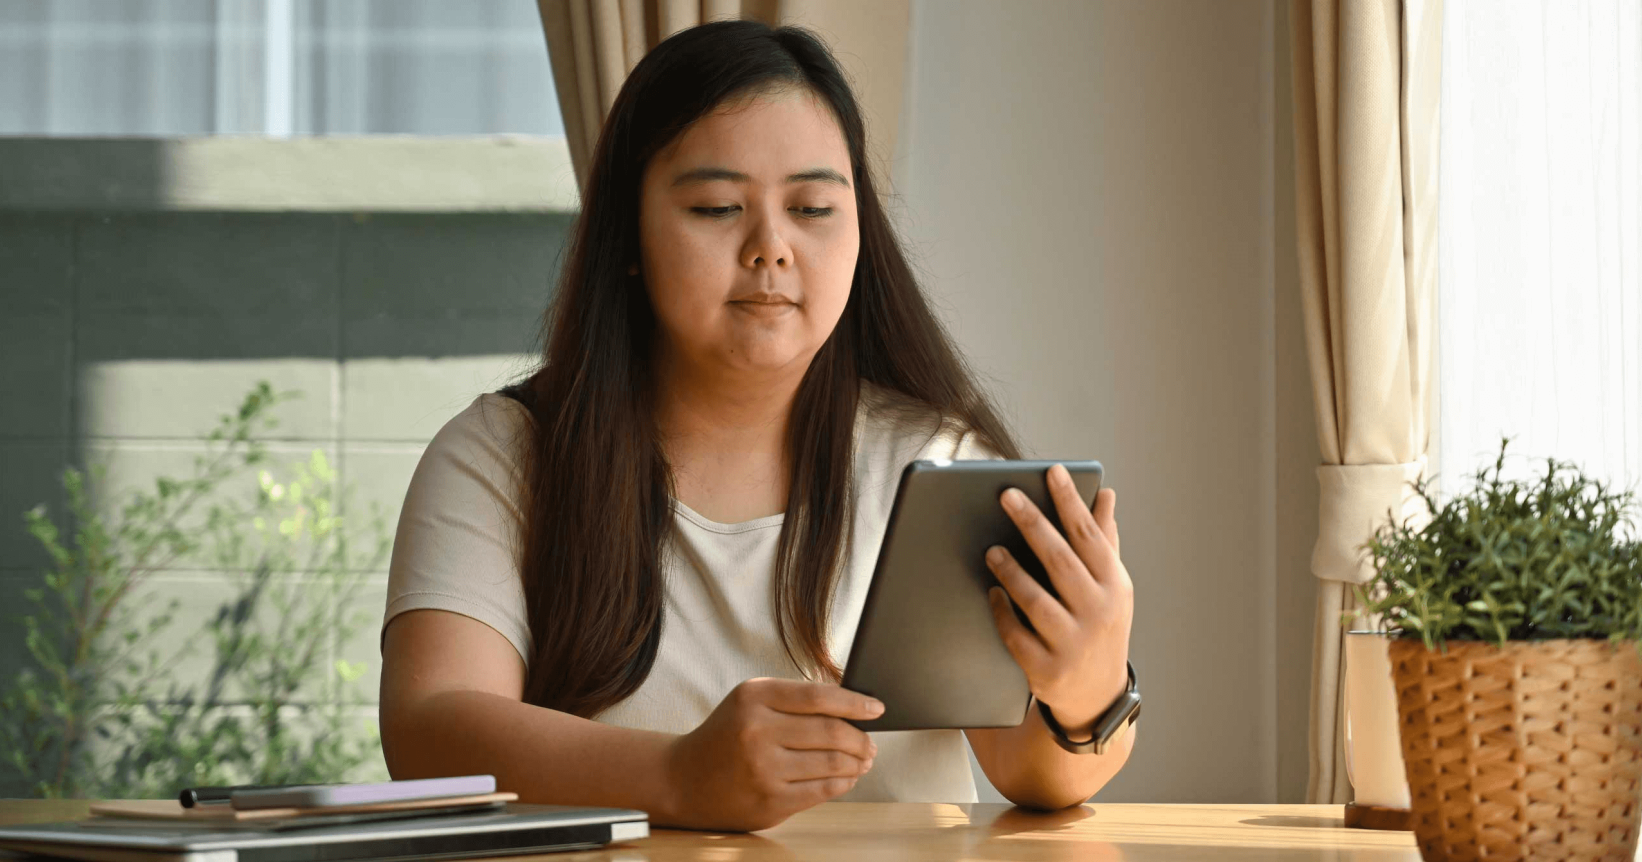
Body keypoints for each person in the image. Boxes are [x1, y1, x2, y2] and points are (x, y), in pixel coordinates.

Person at [378, 19, 1135, 833]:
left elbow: (1036, 778)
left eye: (812, 207)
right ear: (627, 235)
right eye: (716, 206)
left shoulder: (937, 464)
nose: (771, 248)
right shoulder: (502, 455)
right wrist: (674, 774)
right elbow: (428, 731)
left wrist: (1087, 686)